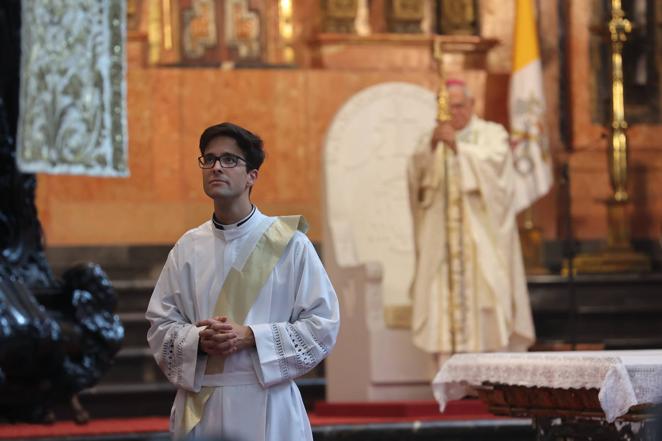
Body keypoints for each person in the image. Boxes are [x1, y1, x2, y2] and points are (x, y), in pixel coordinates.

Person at [145, 122, 340, 440]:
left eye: (229, 159)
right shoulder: (188, 247)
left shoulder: (289, 244)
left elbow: (323, 325)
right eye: (208, 159)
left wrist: (251, 336)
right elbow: (160, 326)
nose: (216, 167)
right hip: (201, 405)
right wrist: (198, 340)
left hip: (267, 400)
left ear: (252, 175)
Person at [407, 80, 535, 367]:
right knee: (441, 302)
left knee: (489, 298)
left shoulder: (491, 135)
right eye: (448, 107)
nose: (454, 113)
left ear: (471, 105)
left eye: (459, 106)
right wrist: (431, 147)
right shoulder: (431, 138)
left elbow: (499, 174)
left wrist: (459, 150)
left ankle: (494, 377)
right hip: (443, 243)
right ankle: (450, 380)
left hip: (483, 240)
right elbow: (418, 182)